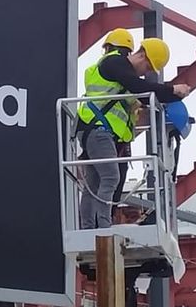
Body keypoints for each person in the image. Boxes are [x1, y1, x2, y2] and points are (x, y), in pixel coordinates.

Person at [76, 35, 190, 229]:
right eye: (148, 67)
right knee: (111, 177)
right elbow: (141, 88)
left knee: (94, 182)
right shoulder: (115, 63)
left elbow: (143, 95)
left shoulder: (120, 73)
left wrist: (171, 97)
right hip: (97, 129)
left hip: (94, 129)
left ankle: (88, 228)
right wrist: (172, 90)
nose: (146, 72)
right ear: (142, 56)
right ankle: (103, 228)